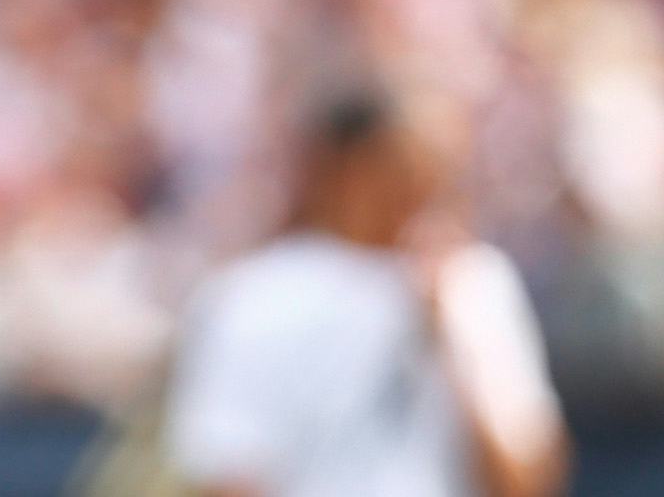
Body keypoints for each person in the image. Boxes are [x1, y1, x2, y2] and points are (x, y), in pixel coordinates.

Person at [165, 88, 568, 497]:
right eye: (404, 168)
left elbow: (530, 481)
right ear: (343, 169)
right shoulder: (253, 298)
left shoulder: (473, 282)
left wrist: (449, 342)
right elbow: (228, 474)